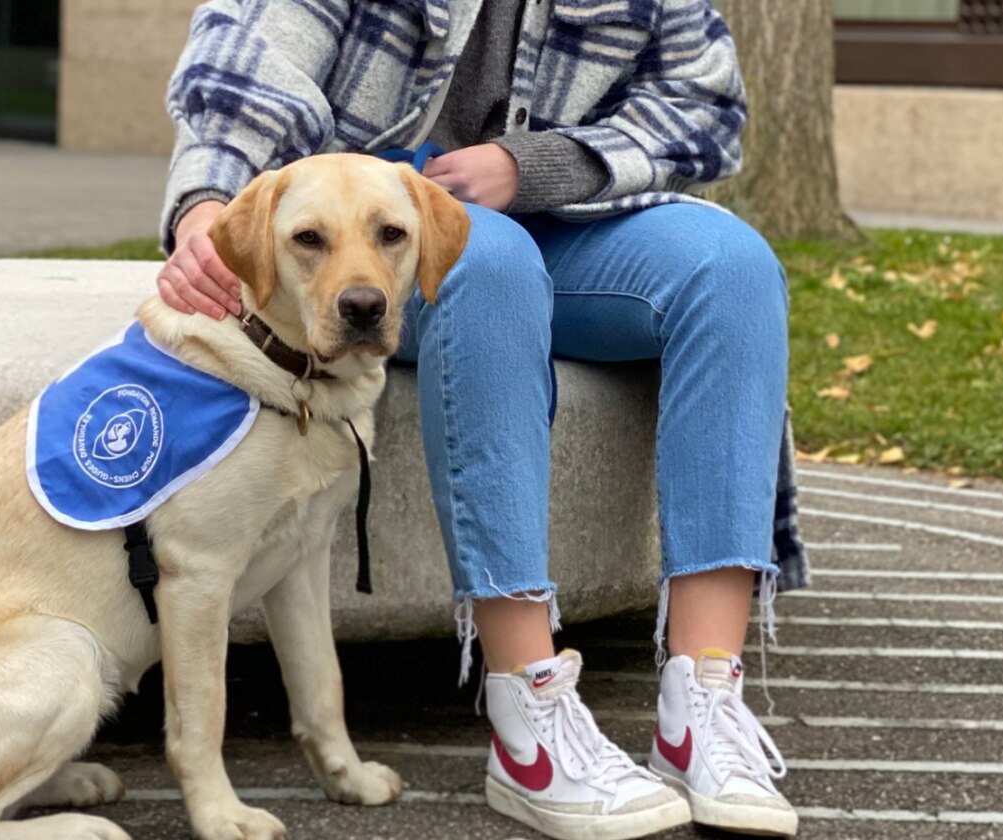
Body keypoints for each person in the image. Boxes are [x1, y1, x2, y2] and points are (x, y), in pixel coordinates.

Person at [155, 0, 807, 836]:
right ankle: (529, 710)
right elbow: (243, 64)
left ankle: (703, 705)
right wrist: (208, 205)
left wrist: (534, 164)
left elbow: (703, 106)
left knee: (734, 269)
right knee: (487, 261)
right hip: (367, 245)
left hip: (570, 221)